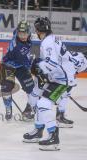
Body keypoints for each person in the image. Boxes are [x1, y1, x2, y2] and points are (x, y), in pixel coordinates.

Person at [23, 17, 77, 151]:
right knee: (40, 100)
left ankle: (53, 137)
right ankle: (38, 130)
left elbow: (51, 64)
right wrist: (42, 70)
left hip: (62, 79)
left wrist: (38, 66)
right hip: (61, 77)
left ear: (37, 30)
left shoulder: (46, 42)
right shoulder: (53, 38)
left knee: (43, 104)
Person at [0, 20, 35, 120]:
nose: (22, 36)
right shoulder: (19, 47)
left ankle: (30, 108)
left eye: (25, 33)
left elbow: (16, 30)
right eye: (20, 33)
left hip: (20, 66)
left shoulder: (17, 32)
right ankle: (8, 108)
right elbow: (27, 63)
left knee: (31, 89)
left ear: (29, 32)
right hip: (8, 66)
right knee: (7, 87)